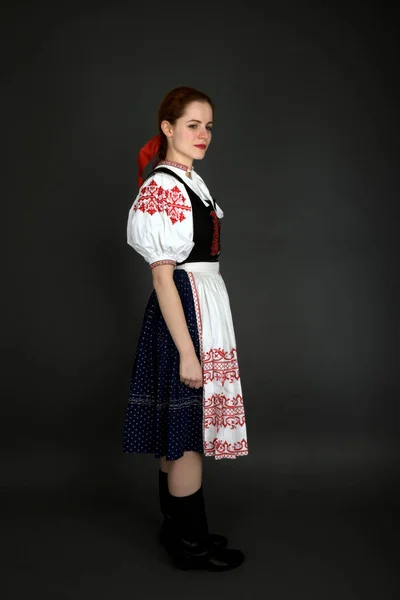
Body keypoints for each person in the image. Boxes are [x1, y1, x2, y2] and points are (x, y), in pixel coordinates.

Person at [123, 86, 248, 571]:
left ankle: (176, 528)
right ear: (168, 128)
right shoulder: (163, 187)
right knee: (188, 427)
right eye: (192, 124)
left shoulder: (189, 181)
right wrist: (188, 352)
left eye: (209, 125)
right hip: (185, 311)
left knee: (179, 424)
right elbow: (162, 274)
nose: (203, 135)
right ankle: (190, 543)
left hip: (200, 302)